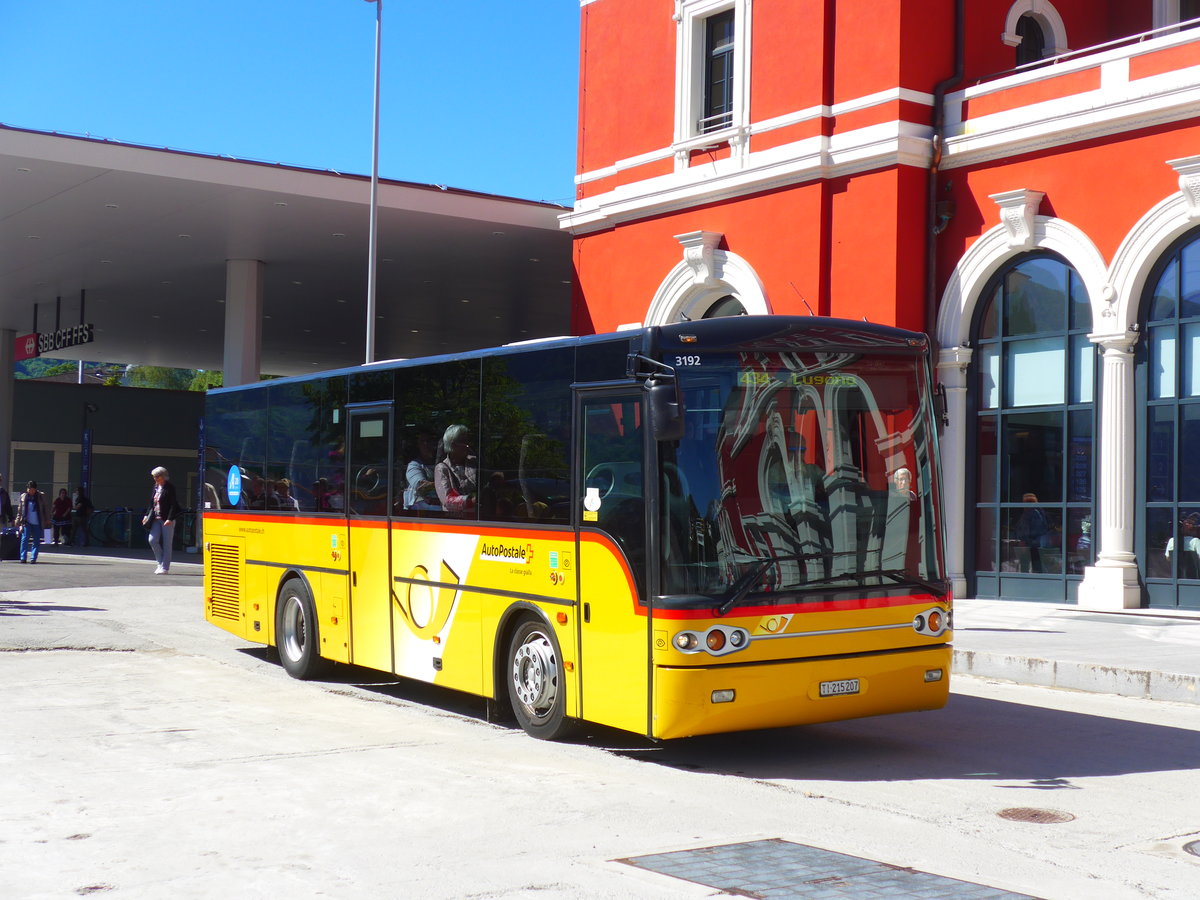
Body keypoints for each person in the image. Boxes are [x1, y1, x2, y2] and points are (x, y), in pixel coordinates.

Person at [142, 466, 182, 574]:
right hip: (155, 518)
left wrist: (170, 518)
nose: (155, 478)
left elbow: (173, 504)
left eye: (157, 476)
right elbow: (151, 503)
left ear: (164, 476)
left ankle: (165, 567)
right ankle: (159, 563)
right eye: (154, 477)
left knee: (167, 543)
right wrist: (146, 515)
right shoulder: (155, 487)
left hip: (166, 519)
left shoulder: (170, 488)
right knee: (152, 540)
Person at [434, 424, 478, 516]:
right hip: (456, 521)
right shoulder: (442, 469)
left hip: (479, 518)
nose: (468, 445)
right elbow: (447, 500)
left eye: (468, 440)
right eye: (464, 441)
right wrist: (470, 500)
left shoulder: (475, 461)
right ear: (453, 444)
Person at [405, 429, 442, 511]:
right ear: (418, 445)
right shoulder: (414, 465)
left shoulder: (443, 463)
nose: (426, 444)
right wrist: (446, 484)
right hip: (420, 512)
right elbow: (421, 487)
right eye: (422, 441)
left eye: (429, 441)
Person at [15, 481, 50, 564]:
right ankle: (23, 557)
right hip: (26, 521)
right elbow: (20, 510)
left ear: (35, 489)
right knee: (24, 539)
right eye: (29, 489)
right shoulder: (23, 496)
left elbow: (45, 508)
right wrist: (17, 520)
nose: (30, 491)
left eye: (32, 489)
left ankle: (33, 558)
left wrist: (47, 519)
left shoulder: (40, 496)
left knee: (36, 540)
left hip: (37, 522)